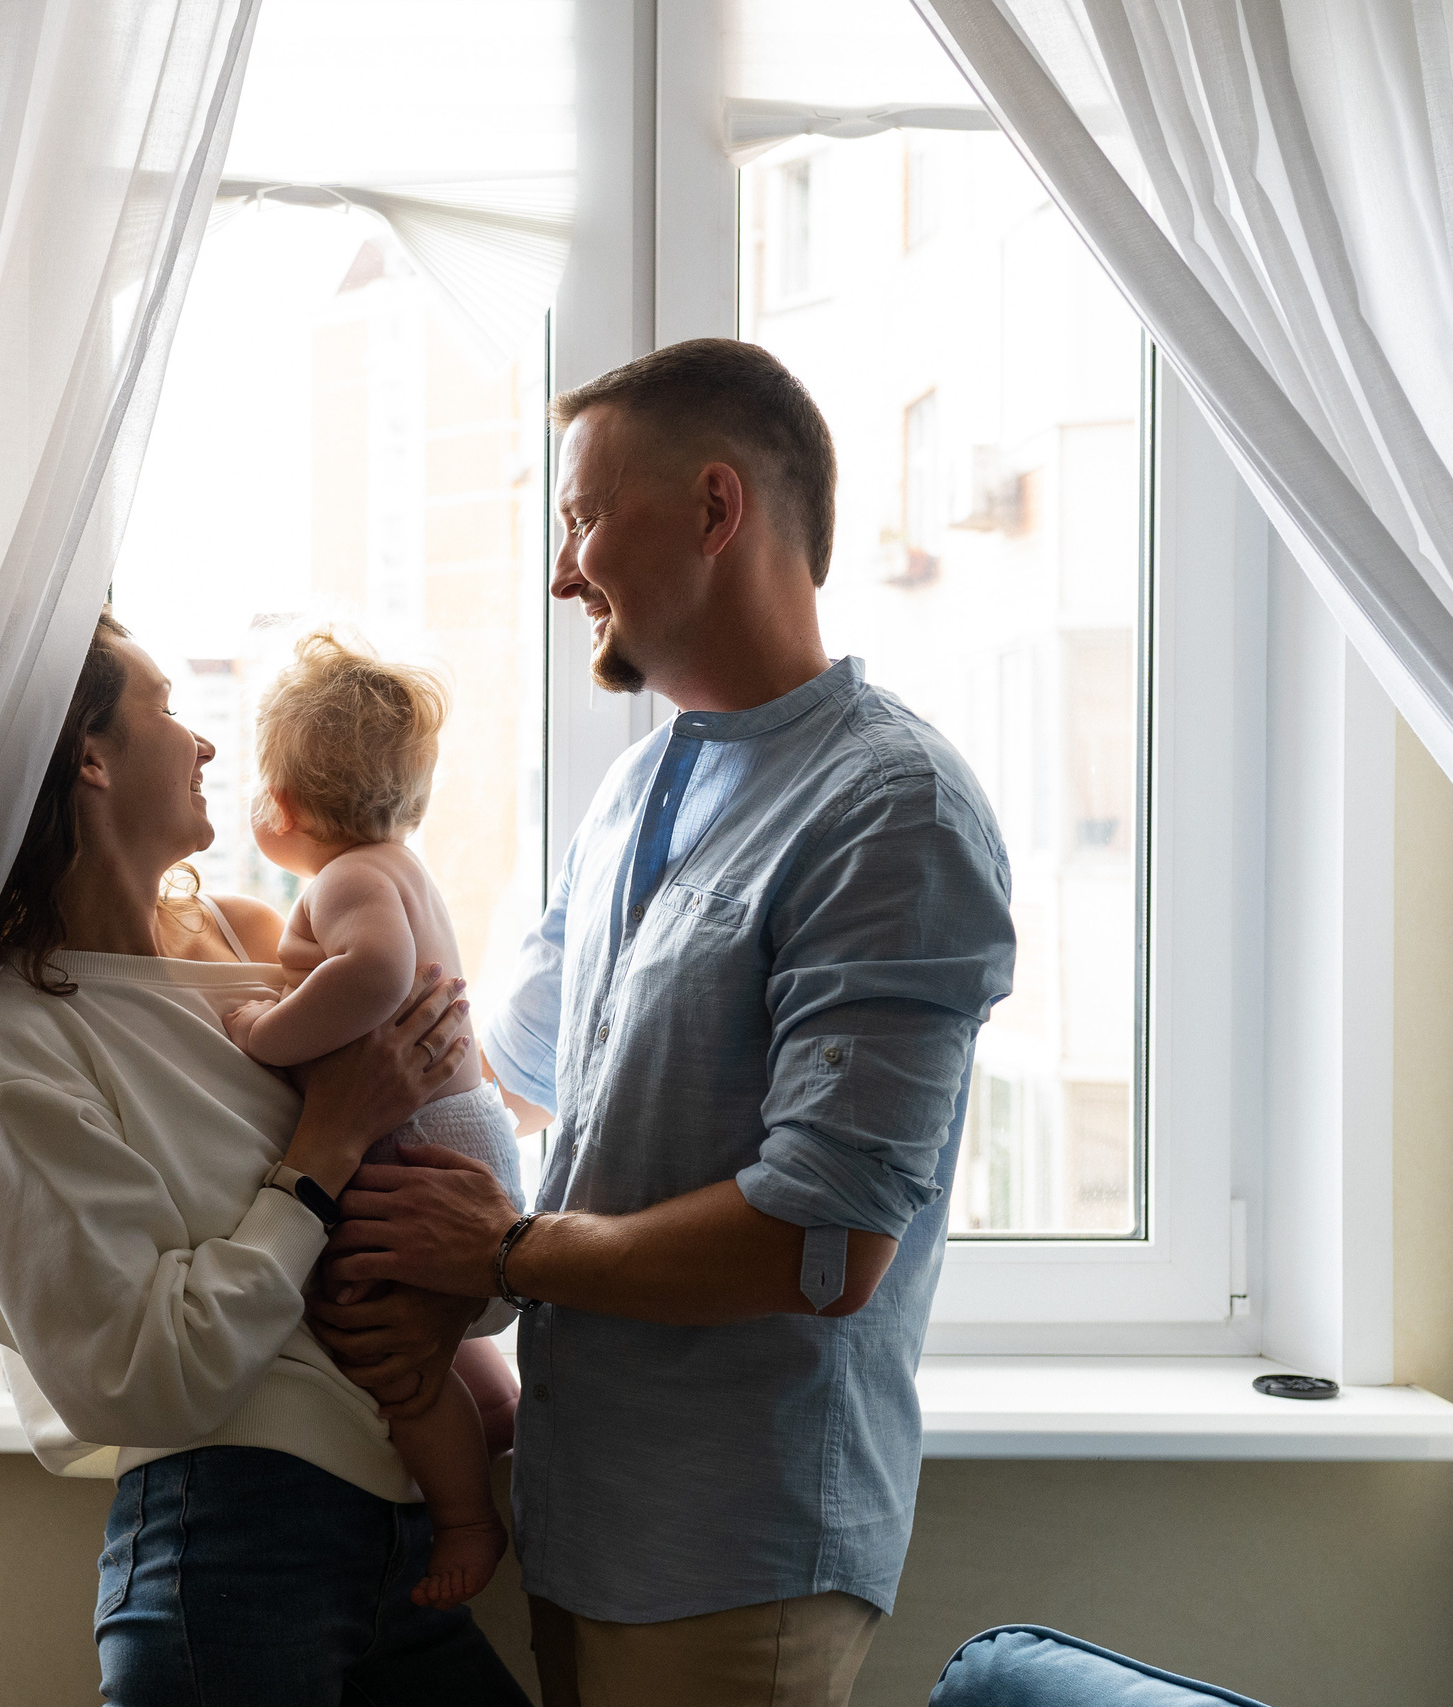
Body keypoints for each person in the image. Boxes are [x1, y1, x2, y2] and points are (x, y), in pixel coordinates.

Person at [309, 338, 1017, 1707]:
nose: (563, 568)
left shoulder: (893, 812)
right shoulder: (635, 794)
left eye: (582, 517)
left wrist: (505, 1248)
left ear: (715, 507)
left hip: (730, 1555)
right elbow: (504, 1072)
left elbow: (823, 1242)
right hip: (583, 1524)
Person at [0, 613, 533, 1707]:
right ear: (88, 758)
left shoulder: (260, 946)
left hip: (401, 1527)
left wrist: (449, 1297)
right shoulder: (10, 1057)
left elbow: (443, 1223)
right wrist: (322, 1145)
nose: (202, 745)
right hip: (238, 1543)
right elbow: (147, 1377)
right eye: (164, 707)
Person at [220, 627, 526, 1611]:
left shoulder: (347, 877)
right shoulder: (398, 865)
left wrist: (269, 1030)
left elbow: (380, 974)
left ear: (286, 803)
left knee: (377, 1345)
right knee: (424, 1324)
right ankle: (494, 1402)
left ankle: (468, 1517)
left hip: (427, 1153)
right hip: (462, 1134)